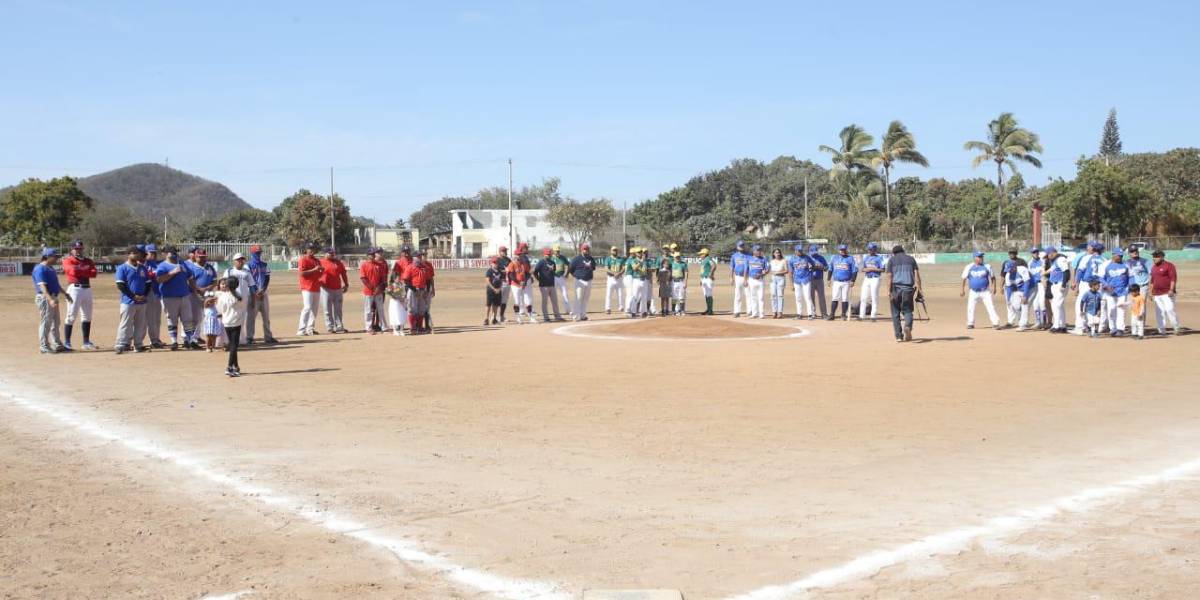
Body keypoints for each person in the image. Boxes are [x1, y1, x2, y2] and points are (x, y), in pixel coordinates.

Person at [156, 246, 197, 350]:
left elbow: (190, 277)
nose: (174, 254)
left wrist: (195, 289)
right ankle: (174, 341)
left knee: (188, 320)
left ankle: (189, 340)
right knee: (172, 320)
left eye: (175, 252)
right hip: (169, 297)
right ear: (166, 254)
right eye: (171, 252)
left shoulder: (182, 263)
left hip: (184, 295)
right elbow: (159, 279)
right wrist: (172, 272)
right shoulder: (162, 266)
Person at [114, 246, 151, 354]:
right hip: (128, 301)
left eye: (139, 253)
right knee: (125, 323)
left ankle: (138, 344)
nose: (138, 255)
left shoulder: (142, 268)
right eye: (135, 253)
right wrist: (133, 296)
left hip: (142, 301)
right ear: (129, 254)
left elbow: (148, 283)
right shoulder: (122, 268)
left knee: (140, 324)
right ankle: (121, 344)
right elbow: (121, 285)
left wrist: (144, 295)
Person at [61, 240, 98, 350]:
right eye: (76, 248)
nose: (78, 250)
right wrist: (86, 270)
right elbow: (72, 271)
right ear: (72, 249)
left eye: (80, 248)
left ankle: (86, 342)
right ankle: (67, 342)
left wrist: (81, 270)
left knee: (87, 316)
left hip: (87, 288)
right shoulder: (68, 260)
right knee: (71, 315)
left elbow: (94, 273)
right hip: (74, 289)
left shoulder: (88, 260)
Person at [32, 248, 69, 354]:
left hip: (54, 297)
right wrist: (50, 299)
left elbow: (56, 284)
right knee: (46, 322)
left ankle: (57, 344)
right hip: (45, 298)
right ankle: (43, 346)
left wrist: (65, 293)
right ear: (47, 257)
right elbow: (42, 286)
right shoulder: (40, 269)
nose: (57, 258)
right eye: (55, 256)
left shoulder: (51, 268)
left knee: (56, 322)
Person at [883, 245, 922, 342]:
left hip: (895, 289)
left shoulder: (892, 260)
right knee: (908, 311)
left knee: (895, 313)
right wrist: (920, 290)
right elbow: (917, 276)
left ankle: (899, 336)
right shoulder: (911, 259)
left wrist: (888, 291)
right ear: (903, 251)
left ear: (894, 253)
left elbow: (889, 276)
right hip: (908, 289)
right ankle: (908, 326)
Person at [1072, 242, 1107, 335]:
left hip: (1087, 284)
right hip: (1099, 285)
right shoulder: (1104, 259)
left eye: (1089, 247)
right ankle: (1099, 327)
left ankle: (1080, 327)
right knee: (1098, 305)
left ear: (1093, 249)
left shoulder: (1086, 258)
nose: (1087, 248)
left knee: (1081, 304)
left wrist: (1076, 284)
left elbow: (1080, 271)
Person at [217, 275, 248, 377]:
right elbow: (242, 308)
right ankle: (229, 367)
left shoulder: (223, 296)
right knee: (234, 346)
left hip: (226, 322)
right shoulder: (239, 296)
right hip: (236, 322)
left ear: (227, 285)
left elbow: (220, 310)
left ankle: (236, 366)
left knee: (232, 344)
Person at [246, 244, 277, 344]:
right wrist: (255, 291)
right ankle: (249, 337)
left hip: (263, 293)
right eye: (256, 253)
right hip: (252, 294)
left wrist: (263, 289)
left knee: (266, 317)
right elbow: (248, 280)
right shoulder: (248, 265)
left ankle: (268, 337)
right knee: (251, 317)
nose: (258, 254)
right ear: (252, 253)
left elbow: (267, 277)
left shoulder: (264, 264)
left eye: (259, 252)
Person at [222, 253, 256, 343]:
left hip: (243, 299)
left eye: (242, 260)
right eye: (238, 260)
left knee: (242, 319)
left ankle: (241, 339)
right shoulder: (229, 271)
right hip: (230, 298)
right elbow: (223, 285)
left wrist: (253, 299)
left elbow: (252, 286)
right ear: (234, 261)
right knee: (229, 317)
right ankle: (227, 340)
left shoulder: (247, 272)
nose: (240, 262)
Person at [961, 252, 1000, 329]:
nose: (981, 258)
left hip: (985, 291)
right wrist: (962, 290)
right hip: (973, 291)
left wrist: (994, 287)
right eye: (979, 257)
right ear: (975, 258)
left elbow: (993, 277)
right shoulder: (969, 267)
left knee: (990, 306)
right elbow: (963, 278)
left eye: (982, 256)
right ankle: (970, 323)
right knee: (970, 307)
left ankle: (995, 323)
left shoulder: (987, 266)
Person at [188, 249, 219, 347]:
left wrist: (208, 287)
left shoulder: (209, 267)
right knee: (195, 317)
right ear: (196, 257)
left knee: (206, 316)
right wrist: (198, 289)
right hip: (195, 295)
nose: (202, 258)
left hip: (208, 295)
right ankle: (191, 338)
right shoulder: (192, 267)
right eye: (200, 257)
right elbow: (190, 281)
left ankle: (197, 336)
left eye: (204, 257)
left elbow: (215, 280)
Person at [1097, 248, 1131, 336]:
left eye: (1121, 255)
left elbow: (1131, 277)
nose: (1121, 257)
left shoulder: (1126, 264)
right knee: (1111, 310)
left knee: (1121, 309)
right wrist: (1106, 285)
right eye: (1119, 255)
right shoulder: (1105, 265)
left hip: (1122, 291)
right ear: (1113, 255)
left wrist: (1129, 287)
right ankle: (1113, 328)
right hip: (1110, 292)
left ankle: (1120, 328)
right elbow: (1100, 277)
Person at [402, 251, 436, 333]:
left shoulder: (424, 267)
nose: (420, 258)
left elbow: (428, 280)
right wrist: (414, 290)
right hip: (413, 290)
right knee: (412, 309)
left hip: (422, 290)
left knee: (421, 309)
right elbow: (406, 281)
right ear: (414, 258)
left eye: (420, 256)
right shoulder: (410, 267)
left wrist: (427, 291)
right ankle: (413, 328)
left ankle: (420, 327)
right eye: (418, 257)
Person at [318, 248, 349, 334]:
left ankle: (339, 326)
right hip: (325, 288)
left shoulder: (338, 262)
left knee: (338, 309)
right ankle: (330, 327)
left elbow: (343, 274)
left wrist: (346, 284)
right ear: (325, 253)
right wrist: (319, 282)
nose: (332, 255)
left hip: (337, 288)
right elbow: (316, 275)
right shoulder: (320, 262)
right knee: (327, 309)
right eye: (330, 253)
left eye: (333, 253)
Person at [296, 242, 324, 336]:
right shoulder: (303, 260)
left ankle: (310, 328)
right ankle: (301, 329)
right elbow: (302, 273)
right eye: (310, 248)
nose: (312, 250)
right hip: (307, 287)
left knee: (314, 310)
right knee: (307, 307)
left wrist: (321, 270)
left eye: (313, 248)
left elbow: (319, 273)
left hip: (316, 287)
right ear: (306, 250)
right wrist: (314, 270)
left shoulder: (316, 260)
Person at [1149, 250, 1180, 335]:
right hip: (1157, 293)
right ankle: (1161, 330)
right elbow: (1152, 281)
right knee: (1159, 312)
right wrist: (1151, 292)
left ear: (1162, 257)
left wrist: (1171, 289)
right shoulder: (1153, 267)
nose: (1154, 258)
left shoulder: (1169, 265)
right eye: (1153, 256)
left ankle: (1176, 327)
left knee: (1170, 309)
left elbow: (1173, 279)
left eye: (1156, 256)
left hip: (1167, 293)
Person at [360, 248, 390, 334]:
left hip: (378, 291)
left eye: (373, 254)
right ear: (367, 255)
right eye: (371, 254)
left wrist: (379, 287)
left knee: (380, 309)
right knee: (368, 310)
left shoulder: (379, 265)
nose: (372, 256)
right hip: (368, 291)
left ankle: (384, 327)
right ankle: (368, 327)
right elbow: (363, 278)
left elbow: (382, 279)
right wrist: (372, 288)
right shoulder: (364, 265)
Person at [141, 243, 165, 348]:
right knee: (145, 319)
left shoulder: (157, 264)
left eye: (155, 253)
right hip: (147, 293)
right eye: (151, 253)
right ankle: (141, 341)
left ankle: (155, 339)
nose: (153, 255)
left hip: (157, 293)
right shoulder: (143, 264)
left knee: (156, 319)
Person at [1043, 247, 1071, 332]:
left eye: (1048, 254)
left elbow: (1066, 272)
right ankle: (1062, 326)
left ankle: (1056, 326)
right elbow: (1051, 270)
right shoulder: (1056, 261)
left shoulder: (1061, 259)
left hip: (1060, 284)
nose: (1047, 257)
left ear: (1051, 253)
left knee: (1056, 305)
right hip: (1055, 285)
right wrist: (1043, 272)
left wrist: (1063, 284)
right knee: (1060, 306)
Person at [505, 247, 535, 324]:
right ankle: (518, 318)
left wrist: (525, 281)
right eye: (517, 255)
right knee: (517, 301)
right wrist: (519, 282)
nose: (518, 256)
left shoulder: (523, 264)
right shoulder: (511, 264)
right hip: (515, 285)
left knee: (528, 300)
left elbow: (527, 273)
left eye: (520, 255)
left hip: (523, 284)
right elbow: (511, 276)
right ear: (514, 255)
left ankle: (531, 317)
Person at [827, 244, 858, 321]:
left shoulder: (850, 258)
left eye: (844, 250)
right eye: (841, 250)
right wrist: (828, 279)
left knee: (845, 299)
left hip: (846, 281)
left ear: (846, 250)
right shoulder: (834, 258)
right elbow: (830, 269)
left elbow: (855, 270)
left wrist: (853, 280)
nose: (842, 251)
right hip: (836, 281)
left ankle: (843, 314)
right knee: (835, 298)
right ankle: (832, 314)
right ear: (839, 250)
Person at [857, 242, 886, 321]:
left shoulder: (879, 258)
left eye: (872, 249)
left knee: (874, 297)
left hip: (875, 278)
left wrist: (874, 269)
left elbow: (883, 269)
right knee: (863, 297)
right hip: (867, 278)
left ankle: (873, 316)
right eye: (869, 249)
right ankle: (861, 316)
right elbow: (862, 269)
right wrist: (867, 269)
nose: (870, 250)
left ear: (875, 249)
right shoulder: (866, 257)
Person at [388, 246, 414, 334]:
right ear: (402, 252)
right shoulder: (398, 262)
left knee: (409, 306)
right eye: (404, 251)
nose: (406, 253)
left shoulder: (413, 261)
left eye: (407, 251)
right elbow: (393, 275)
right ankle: (398, 326)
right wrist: (392, 285)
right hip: (401, 286)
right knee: (399, 306)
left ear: (410, 251)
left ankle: (409, 325)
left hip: (411, 286)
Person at [569, 243, 597, 321]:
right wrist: (576, 276)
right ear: (581, 250)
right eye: (584, 249)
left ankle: (583, 315)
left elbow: (594, 267)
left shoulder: (591, 258)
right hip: (579, 280)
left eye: (587, 249)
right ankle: (575, 316)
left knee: (585, 299)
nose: (586, 250)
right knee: (578, 298)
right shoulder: (577, 258)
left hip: (589, 280)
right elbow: (570, 269)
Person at [1004, 255, 1032, 331]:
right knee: (1015, 305)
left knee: (1024, 303)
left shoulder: (1022, 270)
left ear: (1014, 267)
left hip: (1031, 287)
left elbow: (1027, 282)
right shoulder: (1008, 275)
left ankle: (1023, 324)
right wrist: (1009, 300)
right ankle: (1022, 320)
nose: (1009, 271)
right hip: (1019, 289)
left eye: (1010, 269)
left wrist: (1025, 295)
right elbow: (1009, 288)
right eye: (1007, 270)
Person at [534, 248, 562, 321]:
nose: (549, 255)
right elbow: (535, 272)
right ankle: (546, 317)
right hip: (544, 285)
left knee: (555, 301)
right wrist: (539, 279)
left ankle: (557, 316)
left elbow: (553, 271)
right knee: (545, 302)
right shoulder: (541, 262)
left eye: (549, 254)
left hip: (552, 284)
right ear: (544, 254)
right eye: (547, 254)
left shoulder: (552, 262)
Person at [744, 245, 769, 319]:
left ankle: (761, 314)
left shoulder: (763, 259)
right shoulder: (749, 259)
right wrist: (745, 280)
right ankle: (754, 313)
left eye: (759, 250)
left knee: (761, 297)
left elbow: (767, 270)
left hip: (760, 280)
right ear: (753, 251)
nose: (759, 252)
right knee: (753, 297)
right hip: (751, 280)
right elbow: (746, 270)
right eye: (757, 250)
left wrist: (761, 274)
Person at [201, 279, 226, 352]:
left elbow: (217, 311)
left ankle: (213, 347)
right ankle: (208, 347)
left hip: (215, 321)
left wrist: (214, 300)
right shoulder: (206, 306)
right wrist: (210, 299)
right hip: (209, 322)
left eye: (212, 301)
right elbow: (206, 302)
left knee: (214, 335)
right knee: (209, 335)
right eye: (209, 301)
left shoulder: (214, 307)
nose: (211, 302)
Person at [551, 245, 574, 317]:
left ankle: (568, 310)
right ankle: (555, 311)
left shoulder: (563, 257)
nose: (557, 252)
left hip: (561, 277)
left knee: (565, 293)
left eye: (558, 251)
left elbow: (569, 265)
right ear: (553, 251)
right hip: (553, 277)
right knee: (553, 295)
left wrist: (567, 273)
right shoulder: (551, 258)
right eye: (556, 251)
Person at [1027, 247, 1046, 329]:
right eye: (1033, 252)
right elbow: (1028, 275)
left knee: (1042, 303)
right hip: (1034, 285)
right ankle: (1038, 322)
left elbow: (1045, 272)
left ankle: (1044, 323)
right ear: (1031, 254)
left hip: (1041, 284)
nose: (1035, 253)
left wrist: (1045, 282)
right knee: (1035, 304)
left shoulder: (1042, 261)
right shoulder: (1030, 263)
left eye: (1036, 252)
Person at [729, 241, 750, 317]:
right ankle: (737, 311)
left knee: (748, 294)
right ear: (737, 247)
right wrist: (731, 277)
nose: (741, 247)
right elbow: (732, 267)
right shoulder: (734, 256)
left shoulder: (748, 256)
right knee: (738, 295)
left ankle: (749, 311)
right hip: (737, 277)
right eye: (739, 246)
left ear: (744, 246)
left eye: (742, 246)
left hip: (747, 277)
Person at [808, 245, 829, 319]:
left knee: (821, 297)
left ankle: (824, 314)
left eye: (815, 251)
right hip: (810, 279)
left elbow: (826, 268)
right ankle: (813, 313)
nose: (814, 253)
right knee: (811, 297)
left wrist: (821, 267)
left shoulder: (821, 258)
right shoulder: (807, 258)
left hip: (819, 279)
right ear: (810, 251)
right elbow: (804, 268)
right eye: (813, 251)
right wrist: (811, 267)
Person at [603, 246, 625, 315]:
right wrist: (614, 273)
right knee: (609, 294)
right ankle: (608, 308)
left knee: (620, 293)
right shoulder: (608, 259)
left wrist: (619, 273)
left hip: (619, 278)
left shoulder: (620, 259)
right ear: (611, 251)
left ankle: (621, 306)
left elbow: (624, 268)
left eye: (616, 250)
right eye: (613, 250)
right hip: (611, 278)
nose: (614, 251)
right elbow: (606, 268)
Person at [625, 248, 646, 318]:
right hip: (636, 280)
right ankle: (633, 312)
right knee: (635, 297)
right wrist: (640, 262)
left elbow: (645, 270)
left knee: (644, 297)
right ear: (636, 253)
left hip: (643, 279)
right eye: (638, 252)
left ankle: (643, 312)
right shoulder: (633, 260)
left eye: (640, 252)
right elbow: (634, 268)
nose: (640, 253)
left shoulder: (644, 260)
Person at [768, 248, 788, 318]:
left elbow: (786, 270)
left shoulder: (784, 261)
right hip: (773, 279)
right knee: (773, 295)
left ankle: (780, 312)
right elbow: (769, 270)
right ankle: (774, 312)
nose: (777, 254)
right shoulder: (771, 261)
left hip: (781, 278)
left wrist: (778, 272)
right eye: (776, 253)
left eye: (778, 252)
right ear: (773, 254)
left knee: (780, 295)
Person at [495, 245, 512, 322]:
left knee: (504, 300)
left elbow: (512, 269)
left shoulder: (508, 260)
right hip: (500, 282)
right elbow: (495, 270)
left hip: (508, 282)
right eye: (504, 251)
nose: (505, 252)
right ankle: (494, 316)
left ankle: (502, 316)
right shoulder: (497, 260)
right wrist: (504, 271)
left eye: (506, 251)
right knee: (497, 300)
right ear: (500, 252)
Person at [698, 248, 716, 315]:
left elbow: (714, 265)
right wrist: (701, 279)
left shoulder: (708, 259)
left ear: (705, 254)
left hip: (708, 279)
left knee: (709, 294)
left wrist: (711, 273)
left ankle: (710, 310)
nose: (700, 255)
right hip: (704, 279)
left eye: (701, 254)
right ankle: (708, 309)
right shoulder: (703, 260)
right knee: (706, 294)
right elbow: (702, 270)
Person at [669, 251, 688, 316]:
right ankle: (673, 311)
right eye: (676, 257)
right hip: (673, 282)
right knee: (674, 296)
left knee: (681, 296)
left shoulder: (683, 264)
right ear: (674, 257)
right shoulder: (671, 264)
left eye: (678, 257)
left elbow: (686, 272)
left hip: (681, 281)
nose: (677, 258)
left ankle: (682, 310)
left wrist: (685, 282)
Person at [657, 252, 673, 316]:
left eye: (668, 264)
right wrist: (662, 281)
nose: (667, 265)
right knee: (662, 298)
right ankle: (663, 310)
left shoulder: (669, 271)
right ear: (663, 264)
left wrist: (668, 280)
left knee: (667, 298)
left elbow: (670, 277)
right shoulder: (661, 271)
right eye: (665, 264)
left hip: (667, 285)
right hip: (662, 285)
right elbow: (659, 278)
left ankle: (667, 310)